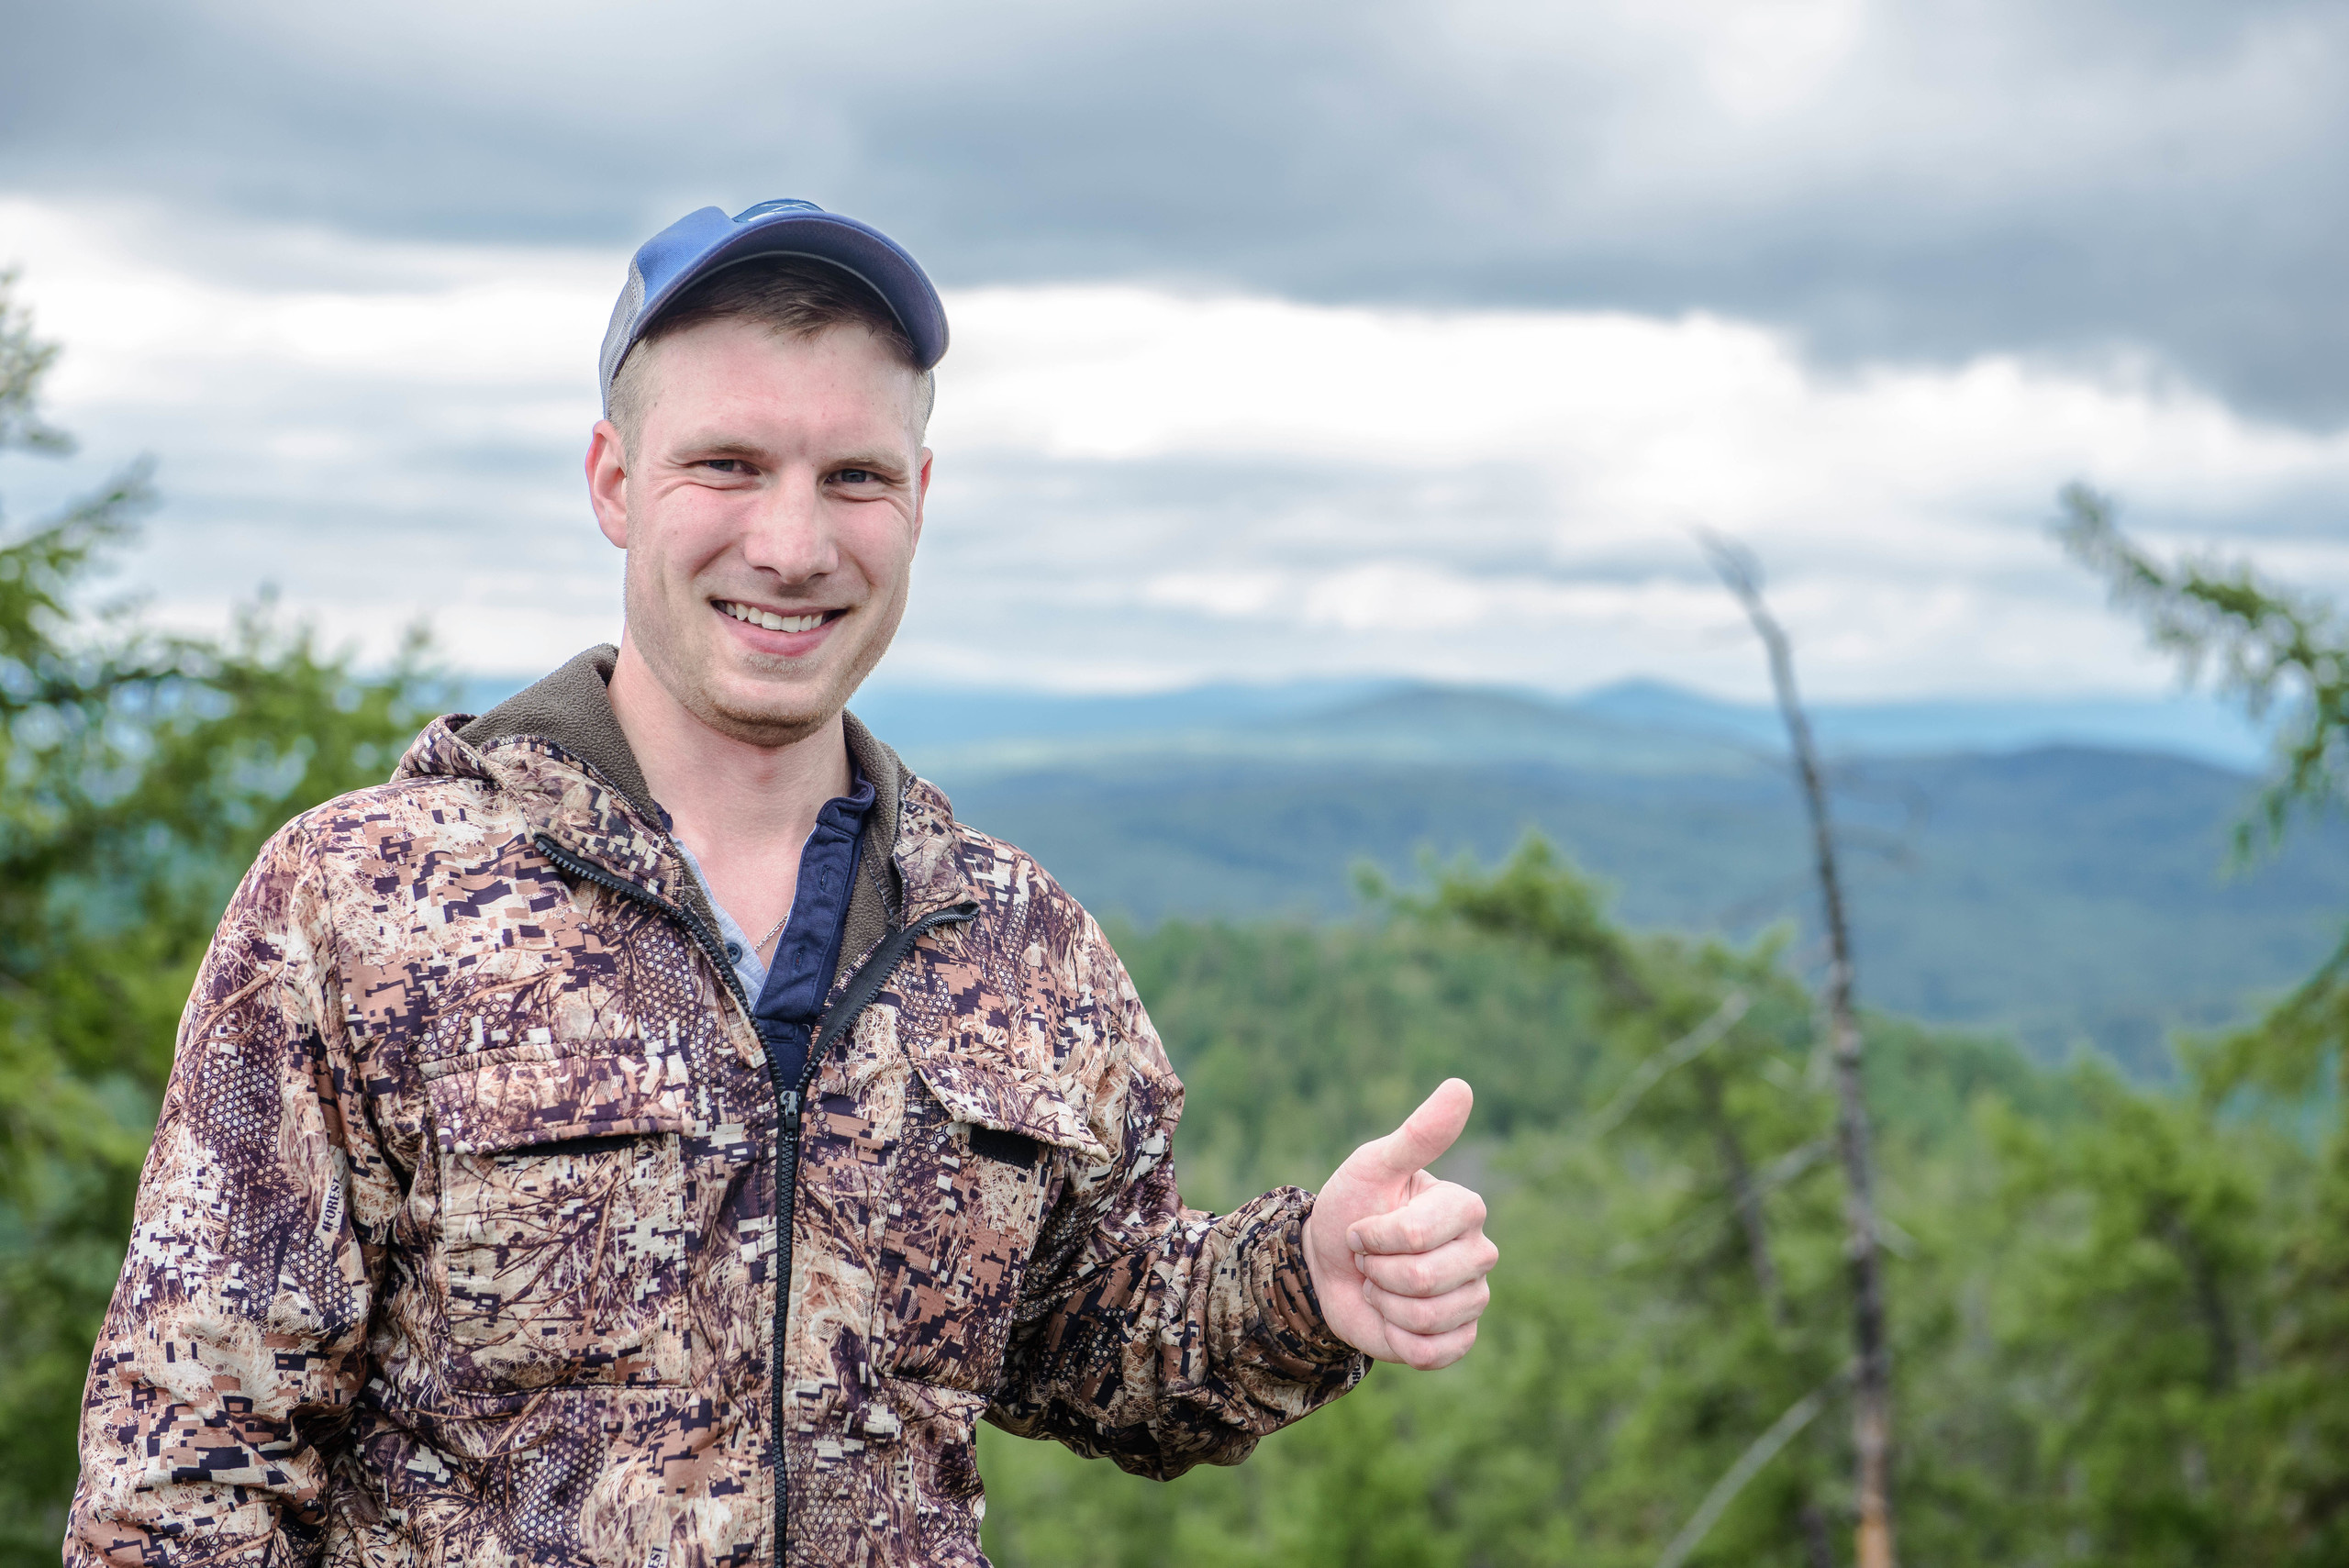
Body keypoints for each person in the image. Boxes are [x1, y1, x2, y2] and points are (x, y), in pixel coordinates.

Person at [66, 200, 1497, 1567]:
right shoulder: (362, 903)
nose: (794, 545)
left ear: (919, 499)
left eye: (854, 476)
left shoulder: (1014, 944)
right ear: (616, 483)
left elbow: (1102, 1337)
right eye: (729, 465)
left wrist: (1305, 1281)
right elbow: (188, 1464)